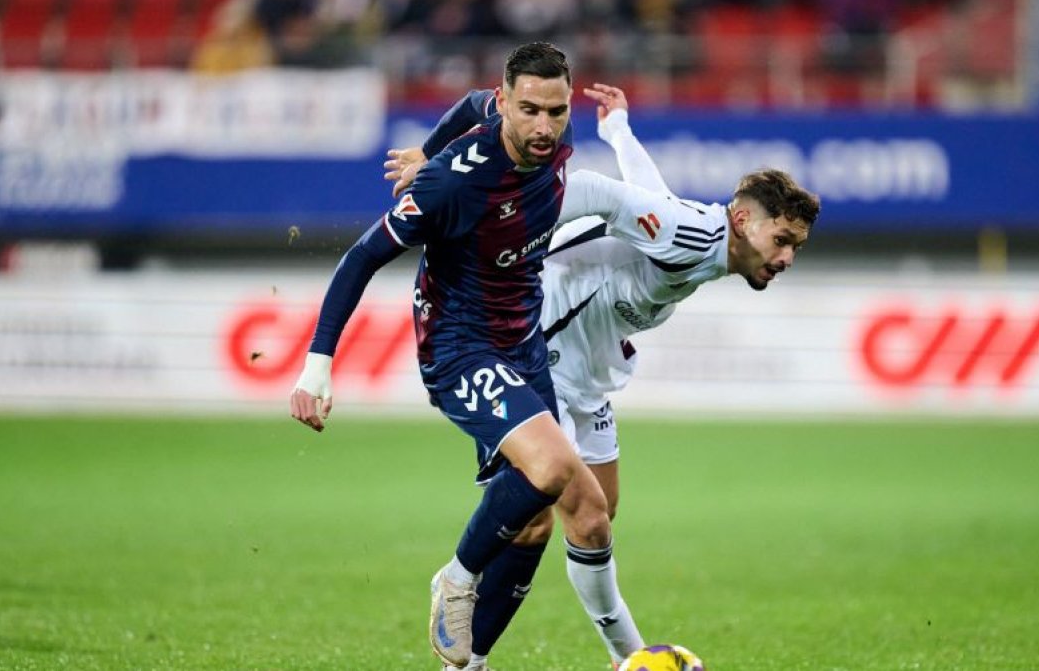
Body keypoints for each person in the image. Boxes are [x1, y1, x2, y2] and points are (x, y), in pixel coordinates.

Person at [386, 84, 820, 670]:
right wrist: (507, 213)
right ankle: (603, 656)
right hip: (536, 354)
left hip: (589, 374)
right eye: (782, 240)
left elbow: (649, 195)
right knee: (552, 518)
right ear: (743, 221)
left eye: (796, 246)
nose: (787, 257)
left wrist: (619, 130)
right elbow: (598, 192)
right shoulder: (696, 235)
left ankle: (601, 659)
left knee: (595, 517)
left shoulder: (699, 237)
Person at [289, 42, 614, 670]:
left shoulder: (544, 138)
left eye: (556, 111)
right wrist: (317, 365)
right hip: (460, 347)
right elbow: (362, 257)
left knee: (539, 521)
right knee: (550, 468)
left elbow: (468, 103)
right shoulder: (452, 183)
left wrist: (425, 147)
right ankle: (457, 577)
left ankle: (467, 664)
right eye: (529, 110)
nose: (544, 126)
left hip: (523, 342)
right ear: (505, 103)